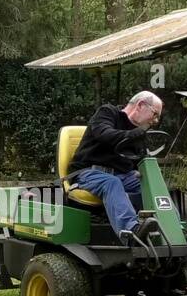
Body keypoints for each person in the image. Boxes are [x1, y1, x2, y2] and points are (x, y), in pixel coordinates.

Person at [68, 91, 163, 244]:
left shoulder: (139, 133)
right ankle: (132, 232)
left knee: (149, 186)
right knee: (112, 182)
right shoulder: (107, 113)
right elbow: (105, 134)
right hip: (89, 172)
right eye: (155, 114)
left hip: (122, 176)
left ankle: (173, 229)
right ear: (140, 105)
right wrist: (134, 134)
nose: (156, 120)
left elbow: (139, 159)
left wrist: (142, 172)